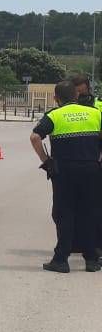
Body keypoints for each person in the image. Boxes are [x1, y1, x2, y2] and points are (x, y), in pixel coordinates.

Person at [30, 80, 102, 273]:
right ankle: (92, 260)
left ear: (56, 98)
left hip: (64, 172)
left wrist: (46, 161)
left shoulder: (54, 115)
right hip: (91, 170)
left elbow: (35, 137)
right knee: (89, 212)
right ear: (76, 96)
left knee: (65, 213)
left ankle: (61, 259)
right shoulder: (95, 113)